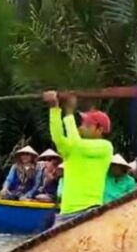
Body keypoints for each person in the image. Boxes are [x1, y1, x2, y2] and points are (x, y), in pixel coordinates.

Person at [44, 91, 113, 223]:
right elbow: (57, 137)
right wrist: (54, 109)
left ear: (99, 129)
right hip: (65, 212)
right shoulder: (75, 145)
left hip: (89, 210)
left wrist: (69, 112)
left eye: (86, 124)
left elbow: (77, 145)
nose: (81, 127)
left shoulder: (105, 147)